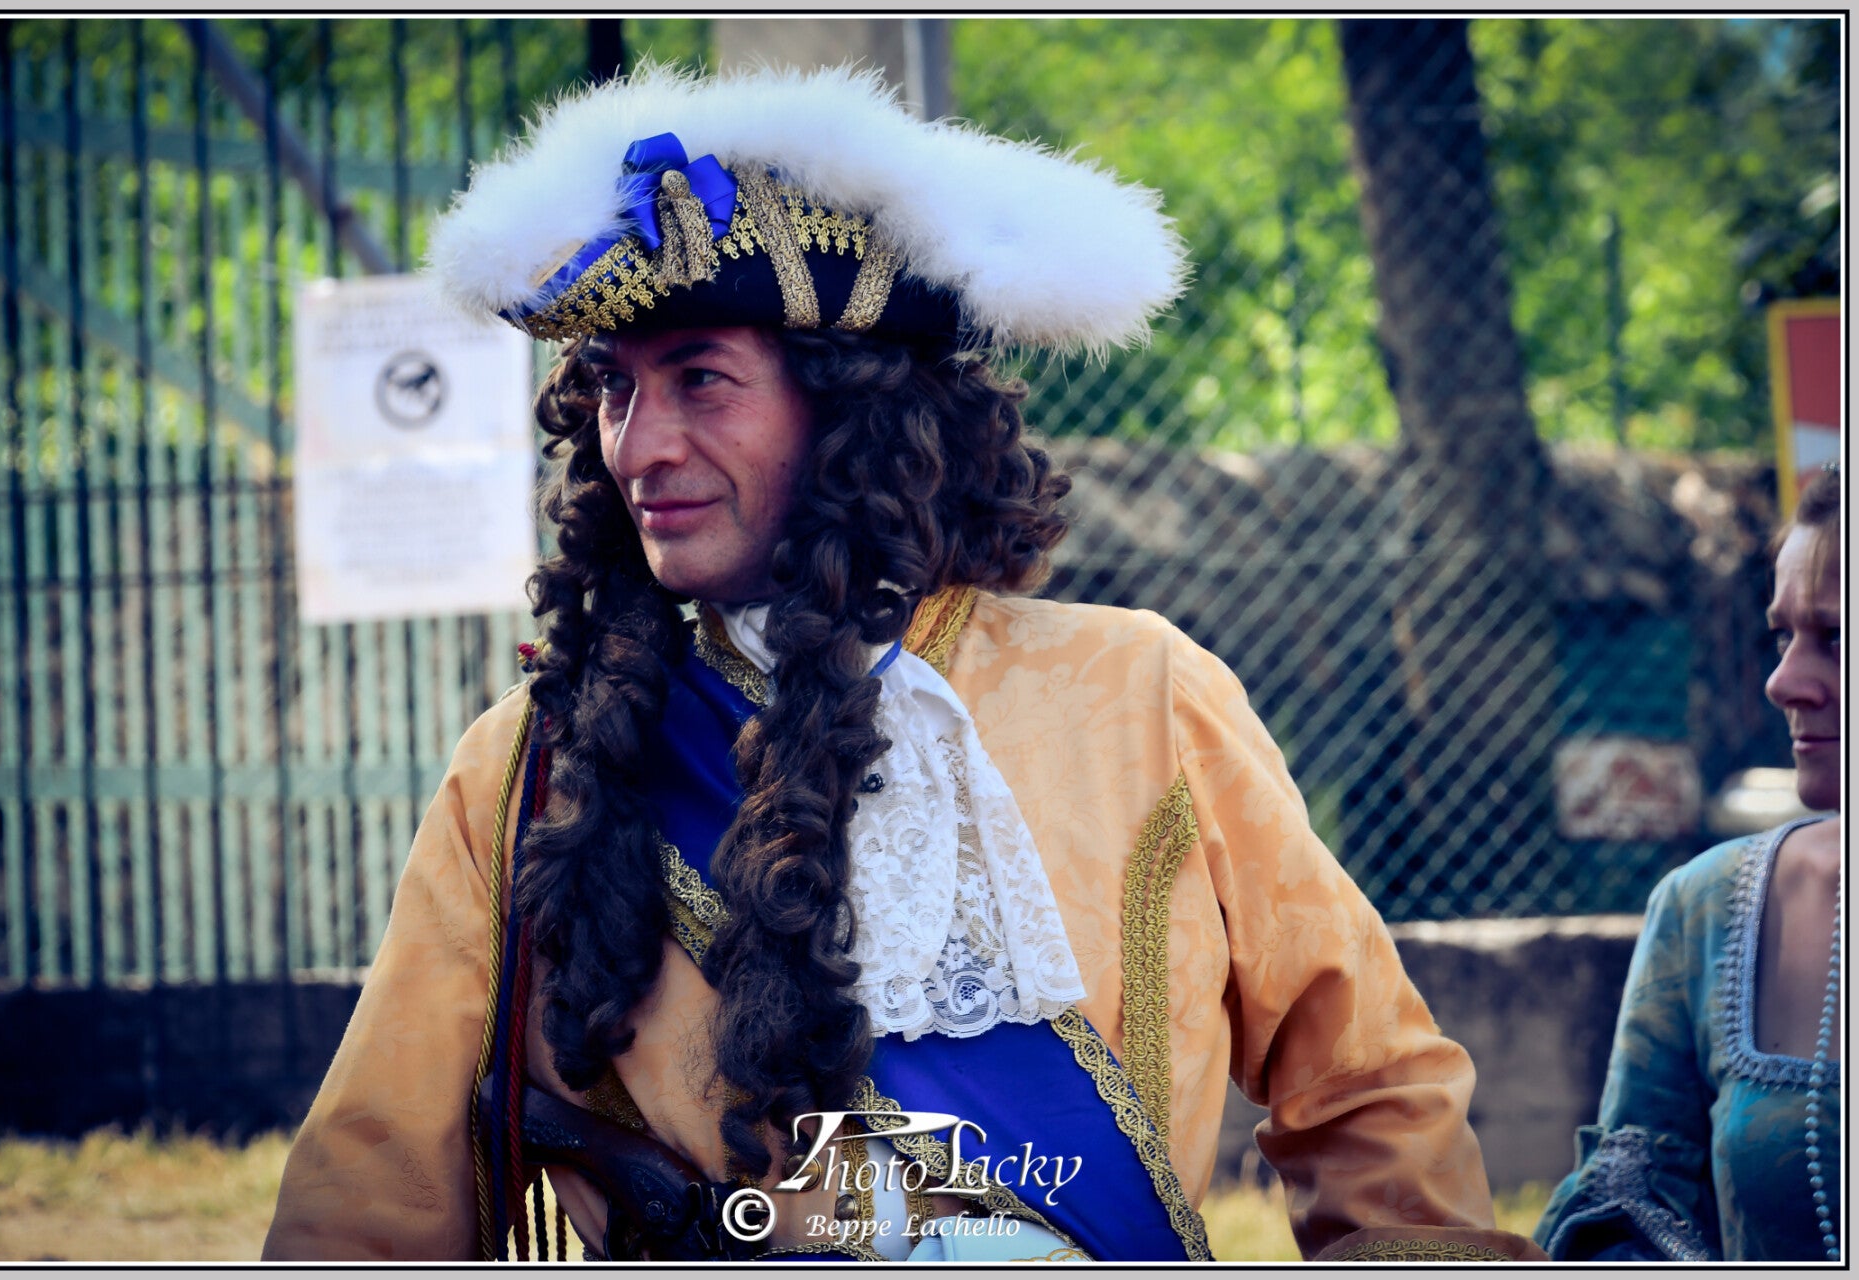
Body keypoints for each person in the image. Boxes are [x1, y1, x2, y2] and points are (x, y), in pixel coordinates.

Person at [263, 64, 1542, 1263]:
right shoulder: (524, 766)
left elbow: (1369, 1085)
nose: (638, 445)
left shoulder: (1140, 693)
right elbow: (375, 1187)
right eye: (612, 387)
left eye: (701, 379)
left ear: (848, 410)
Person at [1536, 462, 1843, 1262]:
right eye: (1781, 636)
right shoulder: (1708, 910)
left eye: (1836, 639)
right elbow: (1625, 1215)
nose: (1783, 681)